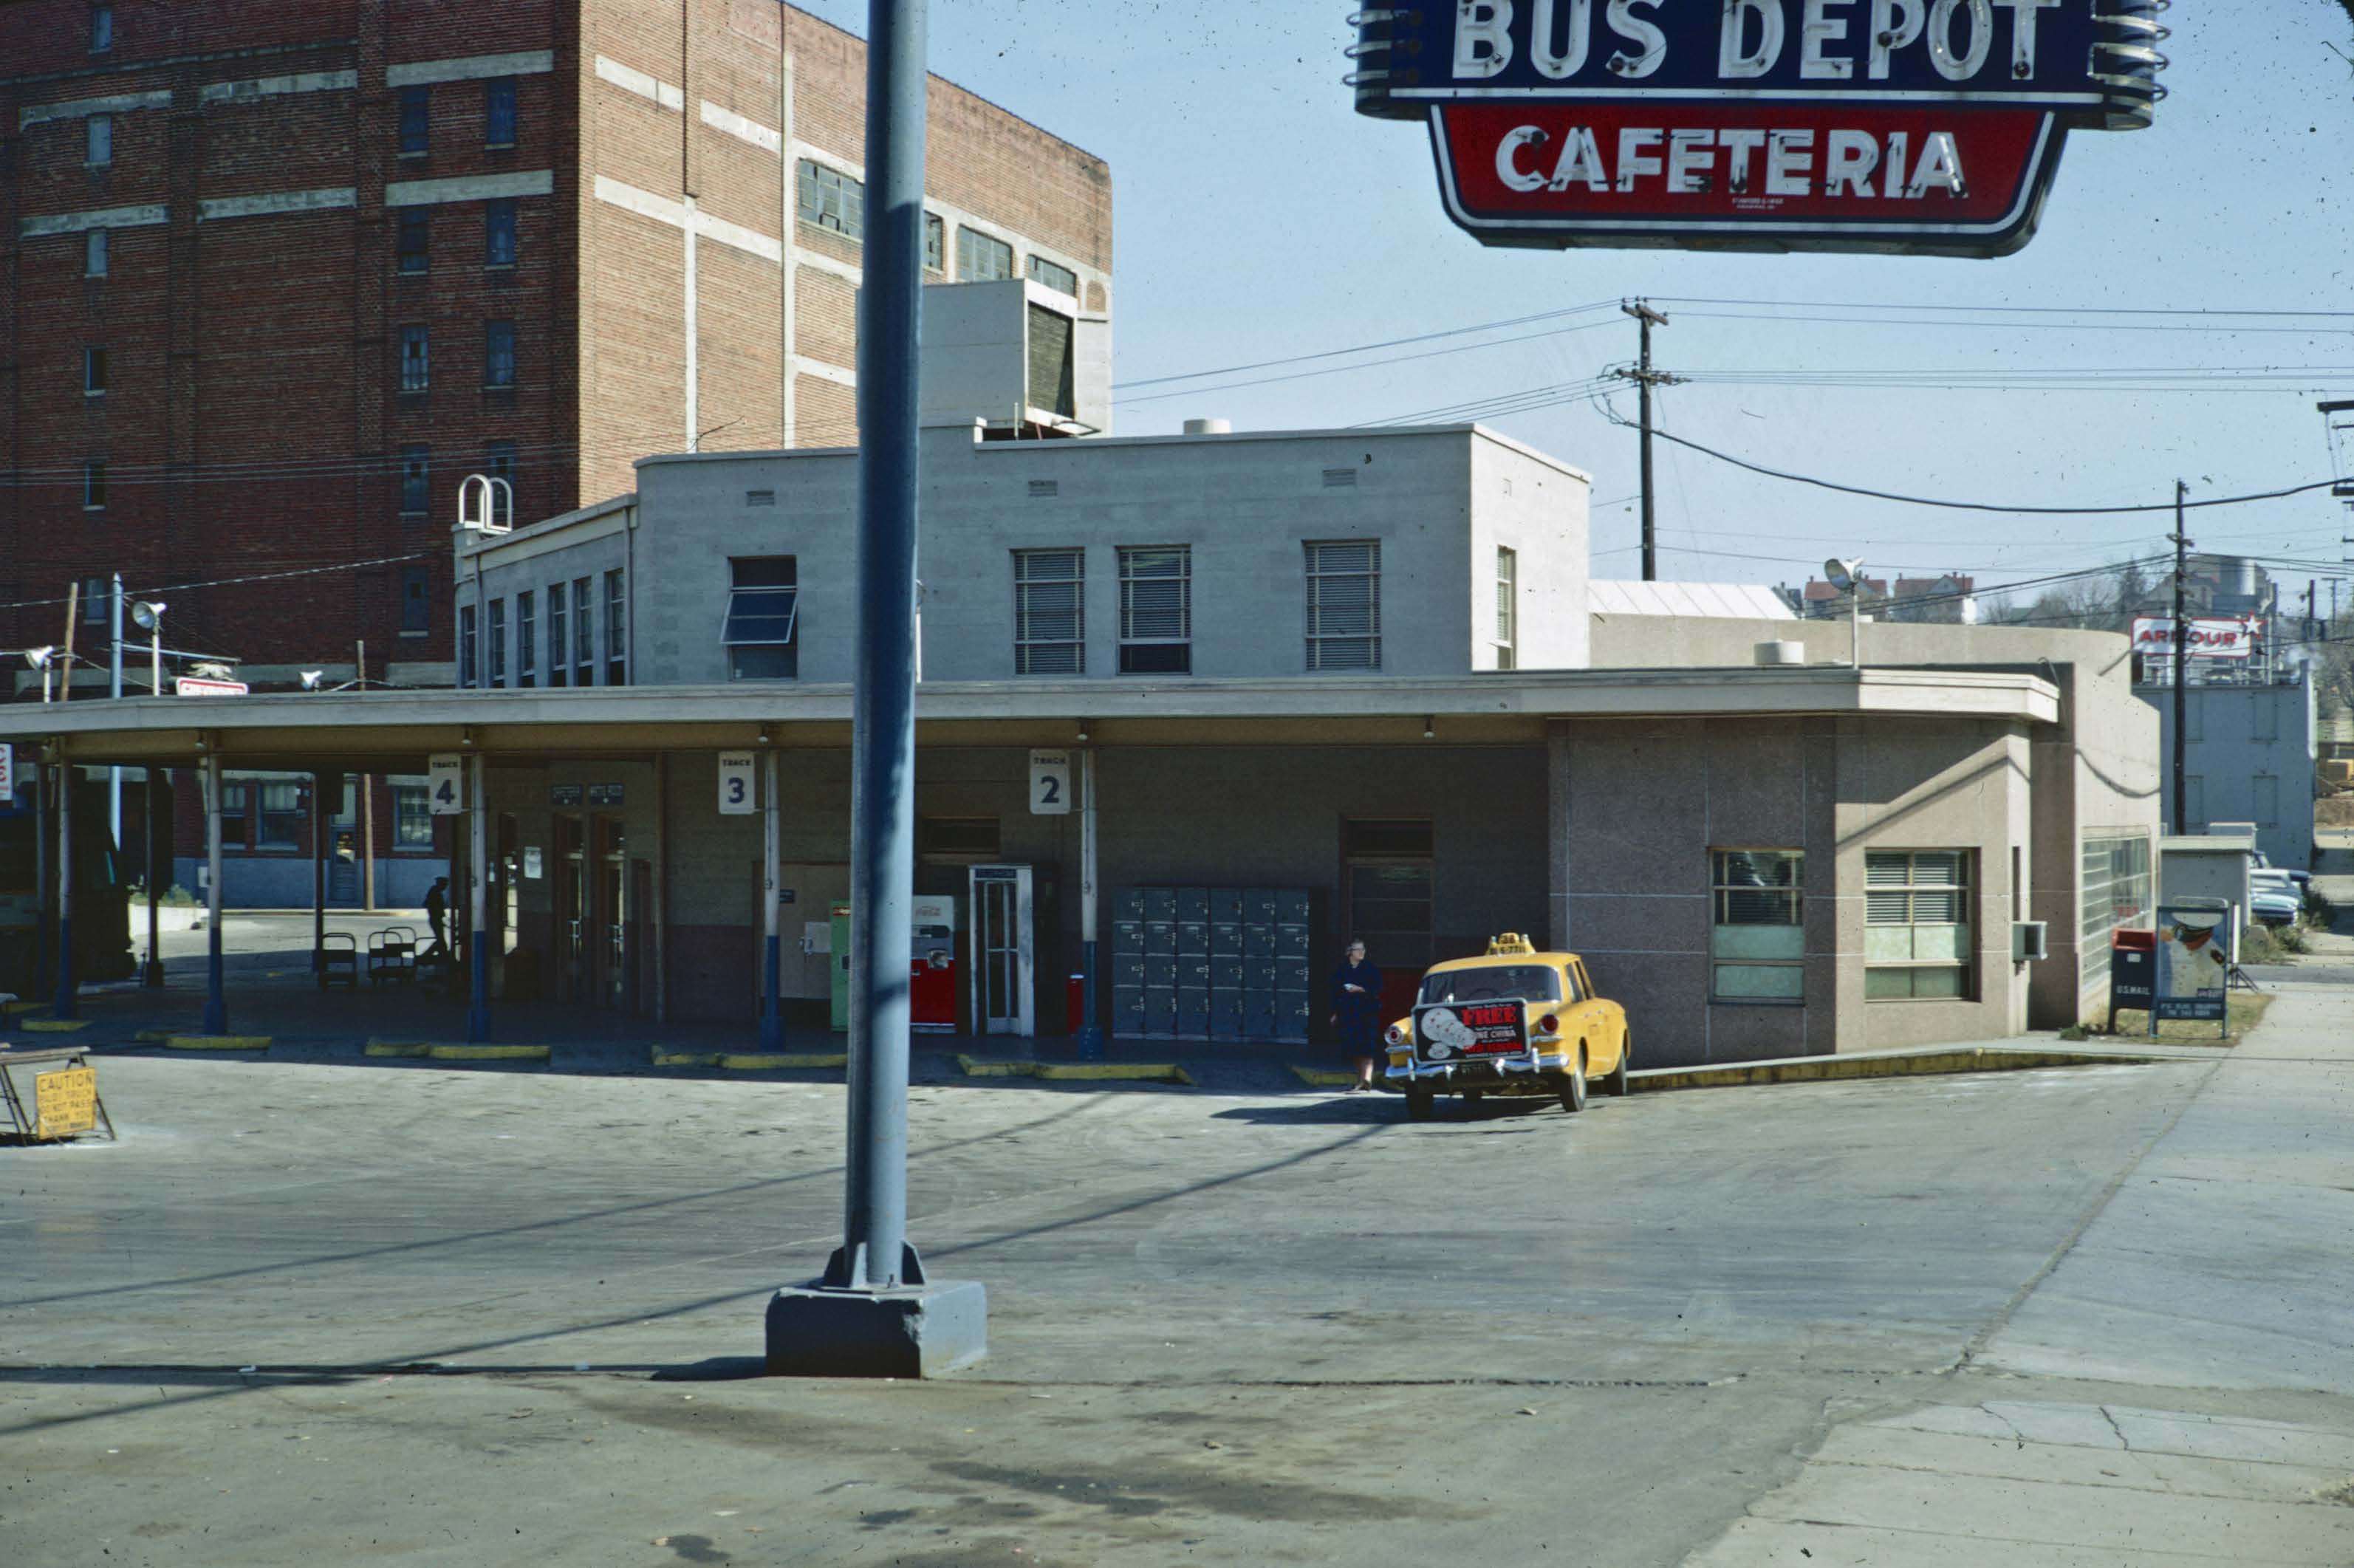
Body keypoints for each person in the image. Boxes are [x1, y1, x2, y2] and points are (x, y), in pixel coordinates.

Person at [1328, 937, 1385, 1092]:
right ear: (1350, 952)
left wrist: (1361, 989)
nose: (1361, 952)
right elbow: (1335, 992)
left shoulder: (1370, 968)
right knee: (1354, 1047)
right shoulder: (1342, 970)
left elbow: (1378, 987)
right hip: (1349, 1013)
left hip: (1367, 1011)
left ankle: (1367, 1078)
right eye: (1358, 949)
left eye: (1363, 949)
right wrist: (1334, 1013)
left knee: (1368, 1045)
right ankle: (1360, 1079)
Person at [422, 877, 451, 962]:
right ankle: (426, 957)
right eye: (445, 885)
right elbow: (433, 906)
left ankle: (440, 955)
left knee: (441, 940)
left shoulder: (435, 892)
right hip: (435, 919)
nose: (446, 887)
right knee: (441, 941)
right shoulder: (435, 893)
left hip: (436, 919)